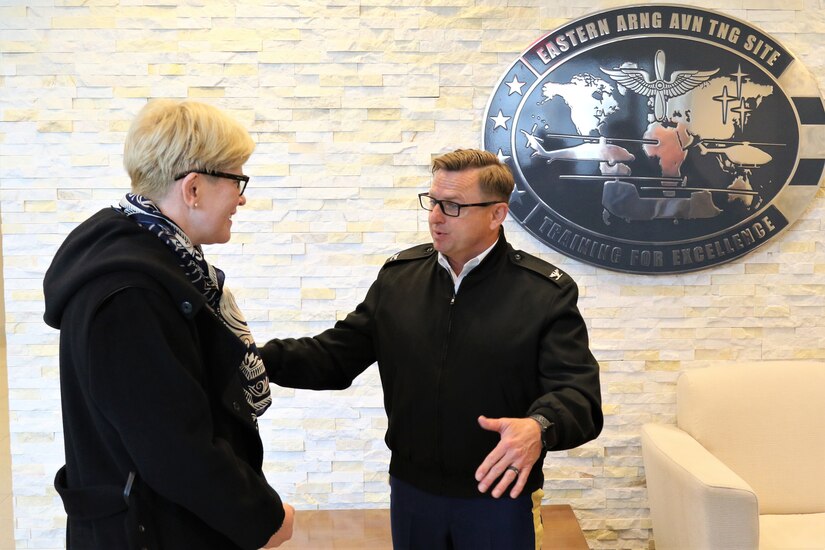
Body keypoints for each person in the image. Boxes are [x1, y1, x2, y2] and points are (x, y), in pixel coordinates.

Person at [261, 148, 602, 550]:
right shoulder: (398, 280)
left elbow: (579, 397)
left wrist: (539, 427)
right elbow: (332, 357)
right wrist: (250, 358)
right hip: (412, 493)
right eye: (433, 202)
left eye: (453, 206)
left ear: (497, 214)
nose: (436, 216)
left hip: (499, 494)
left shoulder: (545, 293)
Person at [42, 99, 294, 549]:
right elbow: (176, 450)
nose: (242, 197)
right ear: (193, 188)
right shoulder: (131, 293)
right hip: (152, 533)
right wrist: (263, 517)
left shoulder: (152, 268)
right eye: (237, 179)